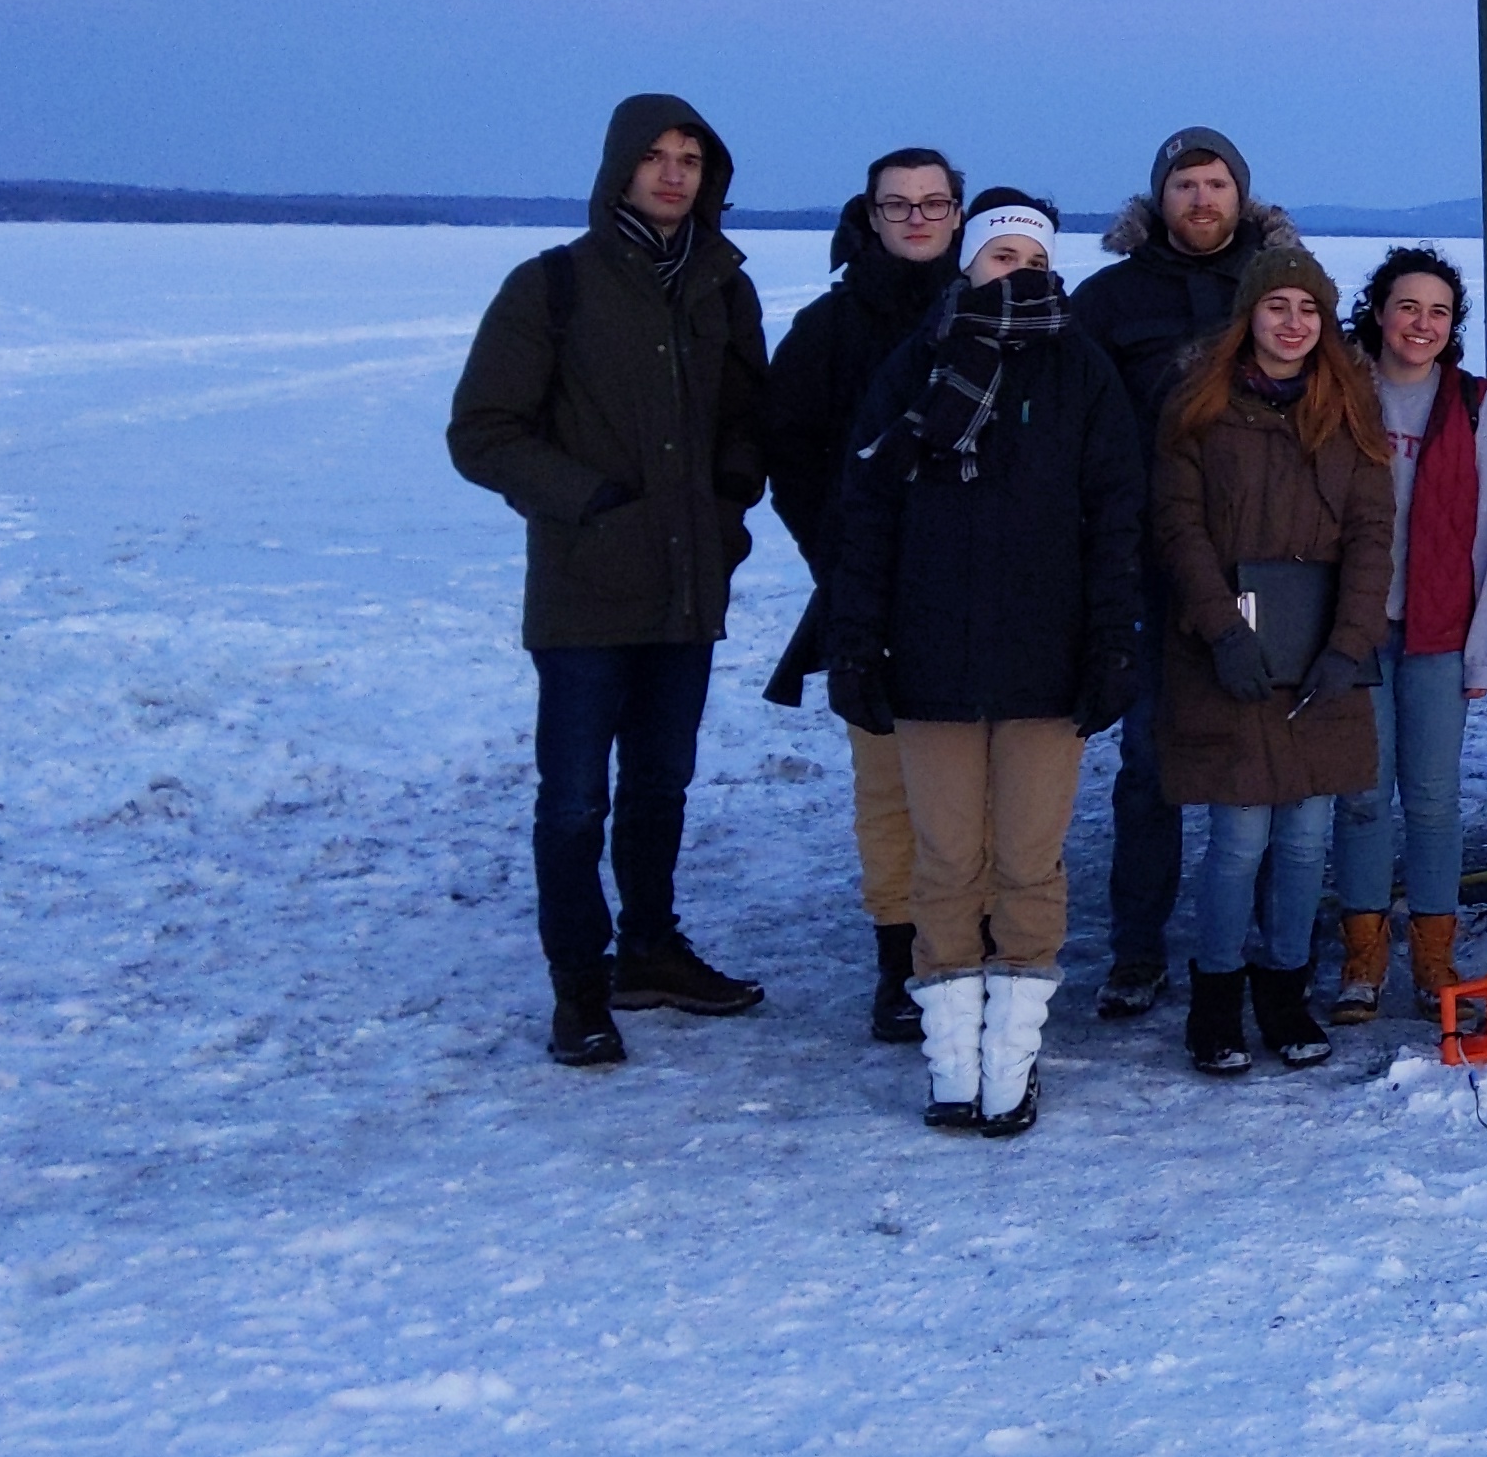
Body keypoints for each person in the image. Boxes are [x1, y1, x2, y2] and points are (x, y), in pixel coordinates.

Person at [446, 93, 772, 1068]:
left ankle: (652, 950)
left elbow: (747, 422)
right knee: (575, 799)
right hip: (585, 594)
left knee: (661, 786)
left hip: (687, 592)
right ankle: (579, 989)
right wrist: (589, 504)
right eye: (656, 157)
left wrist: (725, 512)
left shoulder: (722, 288)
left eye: (691, 159)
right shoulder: (553, 287)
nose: (674, 174)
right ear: (620, 168)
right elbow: (483, 432)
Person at [820, 192, 1145, 1136]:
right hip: (929, 662)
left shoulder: (1081, 372)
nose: (1017, 273)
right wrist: (856, 643)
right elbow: (866, 516)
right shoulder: (913, 369)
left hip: (1045, 667)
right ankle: (951, 1062)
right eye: (1000, 257)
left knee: (1029, 863)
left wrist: (1110, 642)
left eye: (1032, 259)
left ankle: (1013, 1059)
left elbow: (1114, 520)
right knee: (947, 861)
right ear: (970, 264)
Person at [1151, 244, 1396, 1075]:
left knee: (1305, 838)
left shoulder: (1350, 411)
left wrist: (1349, 645)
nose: (1293, 325)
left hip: (1322, 658)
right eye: (1277, 307)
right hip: (1229, 659)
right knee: (1239, 839)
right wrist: (1220, 631)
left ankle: (1284, 991)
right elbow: (1179, 532)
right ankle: (1215, 1001)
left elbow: (1371, 537)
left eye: (1309, 311)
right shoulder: (1201, 410)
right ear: (1249, 317)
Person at [1071, 126, 1291, 1022]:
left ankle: (1280, 937)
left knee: (1267, 750)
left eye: (1217, 184)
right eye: (1185, 185)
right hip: (1152, 565)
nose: (1202, 200)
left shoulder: (1280, 293)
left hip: (1267, 563)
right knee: (1151, 760)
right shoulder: (1109, 302)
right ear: (1158, 199)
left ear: (1242, 195)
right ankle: (1136, 947)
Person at [758, 145, 964, 1044]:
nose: (917, 219)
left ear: (958, 213)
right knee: (890, 789)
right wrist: (840, 563)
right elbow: (792, 458)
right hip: (870, 594)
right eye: (898, 205)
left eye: (933, 203)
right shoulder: (829, 329)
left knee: (977, 791)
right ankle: (899, 959)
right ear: (871, 216)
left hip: (981, 593)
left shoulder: (1000, 307)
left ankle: (969, 945)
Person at [1334, 248, 1487, 1027]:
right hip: (1352, 628)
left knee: (1435, 801)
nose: (1421, 324)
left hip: (1438, 629)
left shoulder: (1474, 406)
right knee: (1365, 798)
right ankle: (1362, 954)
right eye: (1408, 307)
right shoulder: (1339, 393)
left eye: (1438, 312)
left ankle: (1434, 955)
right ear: (1379, 312)